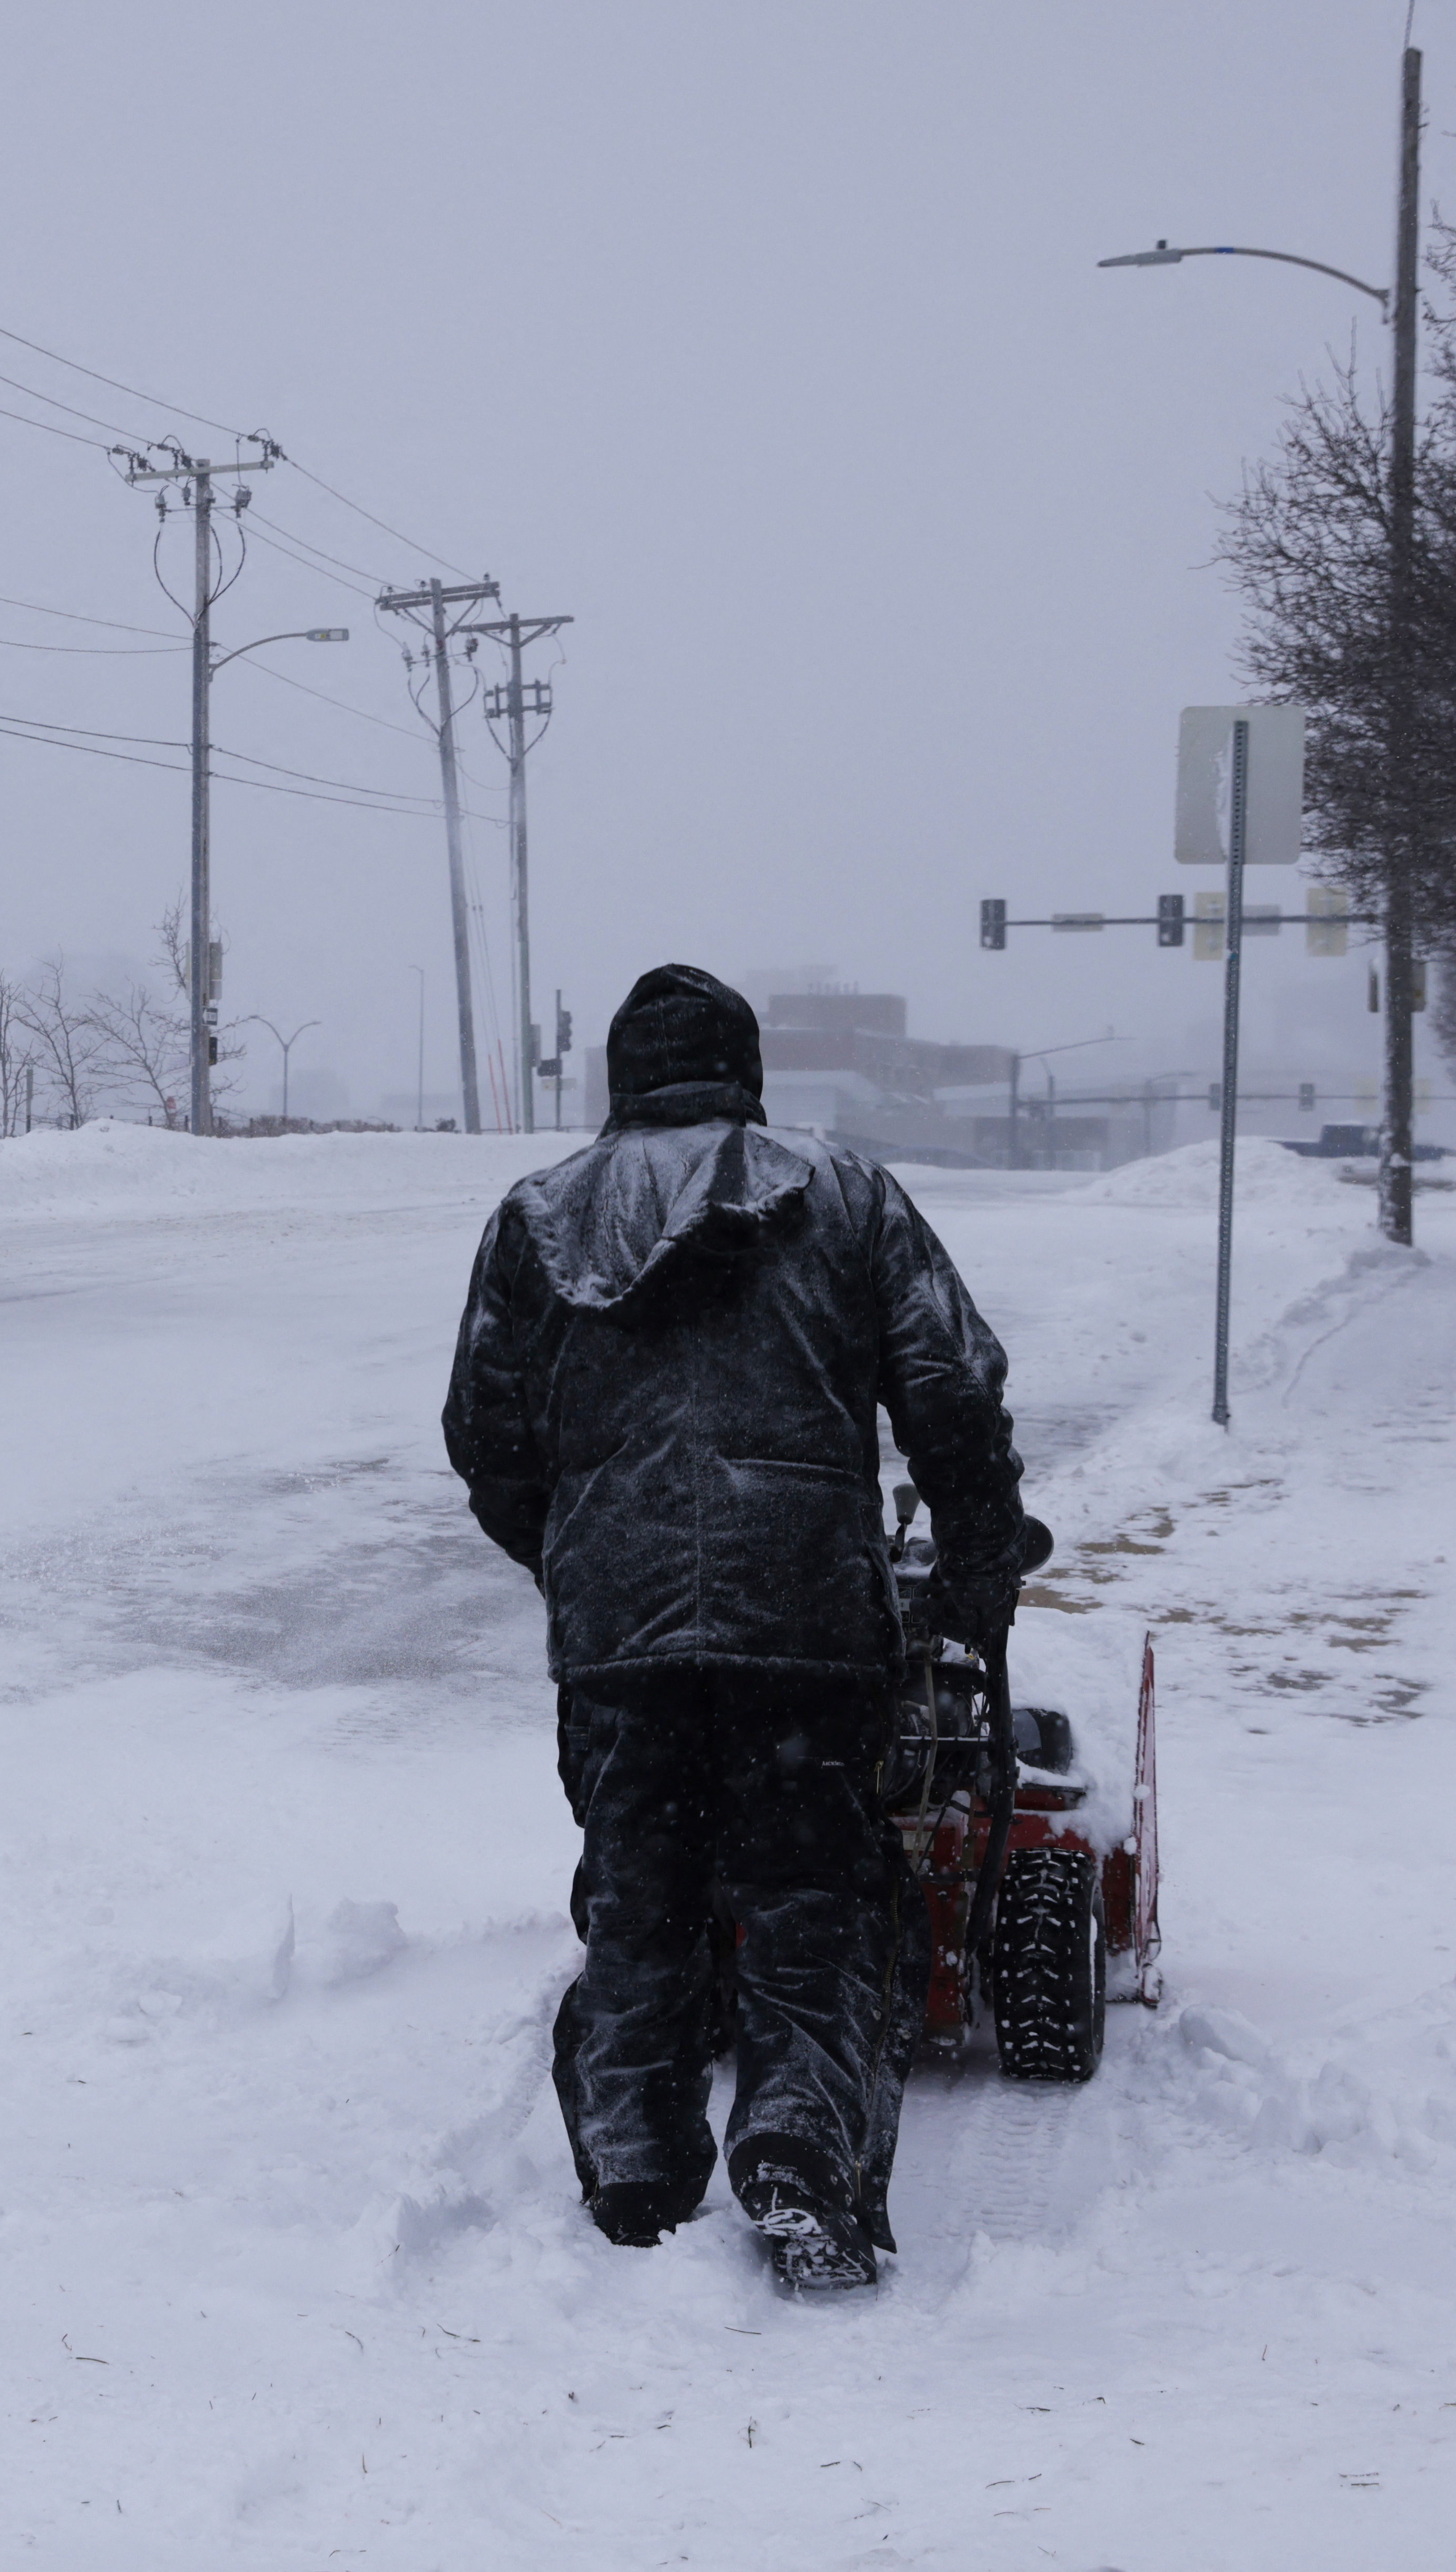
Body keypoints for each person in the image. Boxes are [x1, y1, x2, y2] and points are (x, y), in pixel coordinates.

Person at [441, 964, 1022, 2297]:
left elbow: (485, 1439)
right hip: (808, 1622)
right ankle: (799, 2150)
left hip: (619, 1634)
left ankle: (638, 2170)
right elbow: (951, 1392)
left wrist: (584, 1551)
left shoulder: (532, 1221)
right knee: (812, 1891)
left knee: (638, 1897)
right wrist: (975, 1568)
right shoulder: (849, 1194)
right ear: (745, 1069)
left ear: (620, 1076)